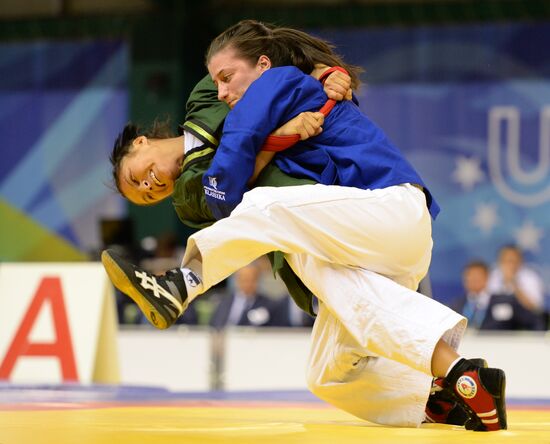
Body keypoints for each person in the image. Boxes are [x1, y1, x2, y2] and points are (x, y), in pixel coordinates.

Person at [102, 20, 507, 431]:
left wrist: (326, 76)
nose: (223, 91)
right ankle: (455, 390)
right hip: (348, 242)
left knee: (264, 203)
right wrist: (279, 135)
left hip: (391, 209)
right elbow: (230, 176)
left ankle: (183, 283)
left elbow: (233, 167)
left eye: (137, 177)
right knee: (327, 374)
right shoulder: (194, 185)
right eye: (143, 196)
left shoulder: (261, 85)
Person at [484, 245, 545, 330]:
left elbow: (536, 308)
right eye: (507, 261)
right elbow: (483, 303)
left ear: (521, 261)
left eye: (514, 260)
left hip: (525, 324)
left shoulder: (531, 277)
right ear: (500, 261)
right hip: (497, 326)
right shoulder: (493, 276)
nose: (511, 264)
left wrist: (514, 283)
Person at [209, 262, 274, 329]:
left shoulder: (267, 304)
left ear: (258, 280)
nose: (248, 284)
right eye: (244, 279)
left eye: (251, 279)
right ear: (237, 280)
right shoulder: (224, 301)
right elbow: (214, 324)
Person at [449, 260, 491, 329]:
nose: (473, 279)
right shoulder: (456, 304)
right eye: (469, 275)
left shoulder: (498, 302)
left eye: (477, 275)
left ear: (486, 277)